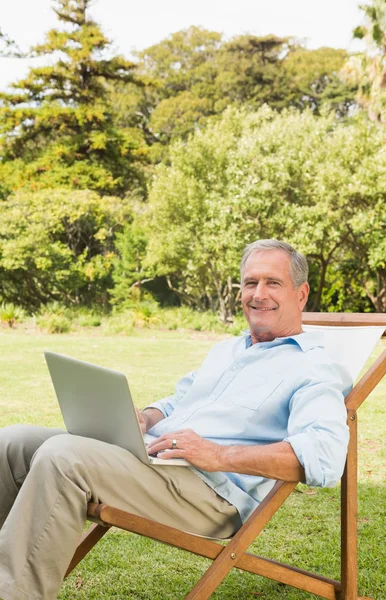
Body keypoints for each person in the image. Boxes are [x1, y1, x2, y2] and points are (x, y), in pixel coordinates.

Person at [0, 239, 351, 600]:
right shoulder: (229, 349)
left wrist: (218, 455)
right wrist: (147, 416)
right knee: (11, 442)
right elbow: (182, 399)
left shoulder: (314, 367)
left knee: (63, 457)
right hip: (157, 463)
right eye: (250, 282)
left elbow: (324, 455)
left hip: (210, 494)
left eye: (272, 283)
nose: (258, 294)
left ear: (301, 294)